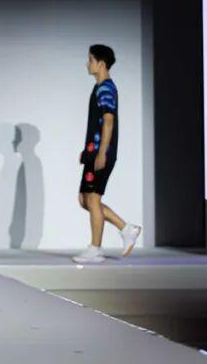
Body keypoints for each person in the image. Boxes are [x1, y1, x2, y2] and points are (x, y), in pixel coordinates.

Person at [72, 45, 142, 264]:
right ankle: (126, 228)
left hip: (102, 152)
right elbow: (98, 123)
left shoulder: (105, 89)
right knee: (84, 199)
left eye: (90, 60)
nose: (87, 64)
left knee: (93, 199)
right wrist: (88, 150)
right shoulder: (100, 88)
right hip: (94, 152)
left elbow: (108, 121)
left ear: (101, 64)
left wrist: (102, 152)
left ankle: (95, 249)